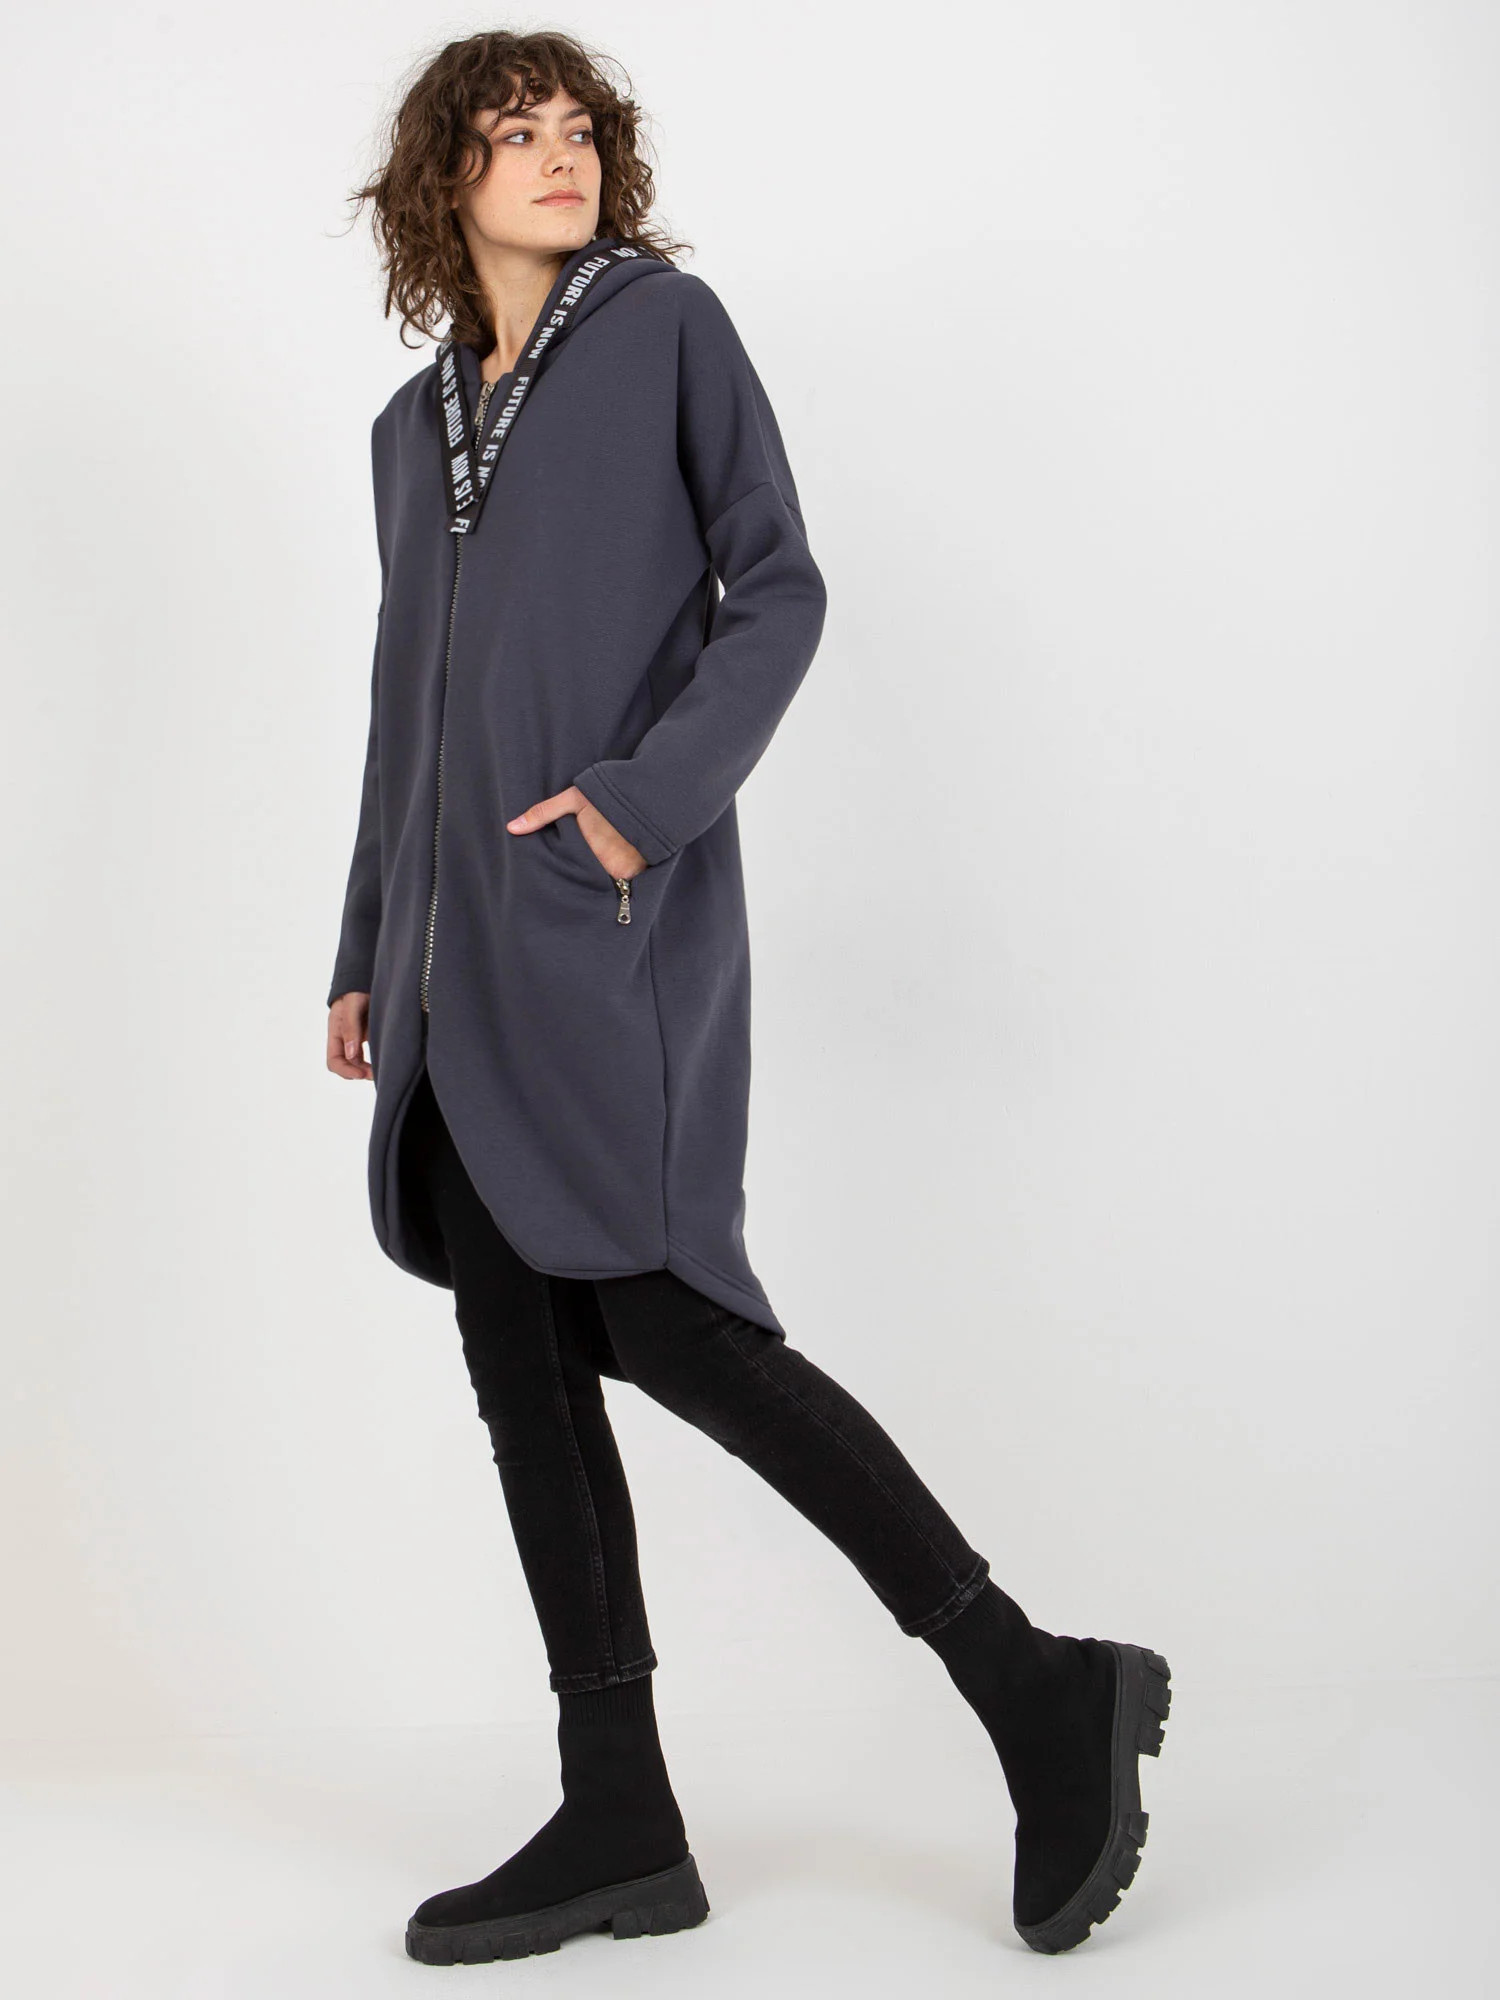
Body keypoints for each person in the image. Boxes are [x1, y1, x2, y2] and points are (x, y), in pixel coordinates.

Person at [324, 27, 1170, 1969]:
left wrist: (634, 811)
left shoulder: (664, 336)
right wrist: (367, 942)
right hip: (455, 973)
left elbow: (774, 587)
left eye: (579, 129)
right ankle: (618, 1809)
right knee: (523, 1372)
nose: (559, 156)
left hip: (594, 929)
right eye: (514, 133)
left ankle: (1036, 1683)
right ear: (446, 180)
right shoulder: (407, 432)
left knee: (672, 1322)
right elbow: (402, 711)